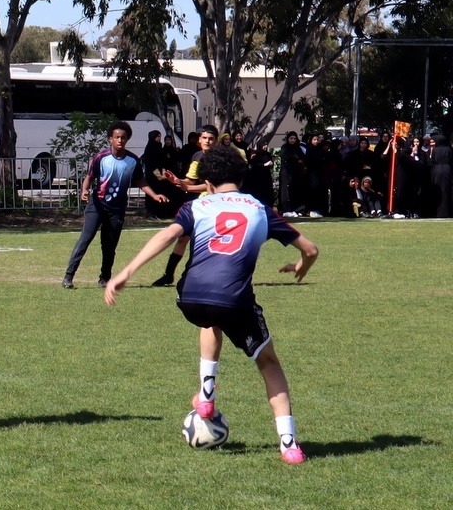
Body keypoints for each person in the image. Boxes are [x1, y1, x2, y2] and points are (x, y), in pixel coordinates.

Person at [104, 145, 319, 464]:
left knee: (209, 321)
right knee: (269, 363)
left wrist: (126, 271)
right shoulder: (260, 209)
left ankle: (206, 396)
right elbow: (311, 250)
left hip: (190, 297)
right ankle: (288, 445)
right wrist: (302, 266)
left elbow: (167, 236)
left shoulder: (196, 207)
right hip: (234, 300)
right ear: (241, 179)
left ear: (207, 183)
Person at [62, 121, 168, 289]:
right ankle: (68, 277)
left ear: (127, 139)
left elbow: (140, 180)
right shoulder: (101, 157)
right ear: (110, 139)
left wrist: (155, 195)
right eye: (117, 137)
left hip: (117, 209)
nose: (120, 140)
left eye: (123, 137)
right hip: (97, 205)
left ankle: (104, 279)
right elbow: (90, 177)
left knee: (109, 245)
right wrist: (84, 190)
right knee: (85, 239)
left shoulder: (132, 160)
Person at [149, 124, 219, 286]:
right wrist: (176, 180)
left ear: (216, 141)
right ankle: (168, 275)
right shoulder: (197, 157)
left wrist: (188, 187)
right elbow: (191, 180)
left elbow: (213, 185)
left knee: (202, 243)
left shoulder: (220, 158)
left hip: (218, 204)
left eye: (211, 139)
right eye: (204, 138)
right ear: (199, 140)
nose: (207, 142)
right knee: (183, 239)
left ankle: (191, 276)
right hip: (202, 203)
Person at [278, 131, 305, 217]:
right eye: (291, 138)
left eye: (294, 138)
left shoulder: (298, 148)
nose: (293, 140)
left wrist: (297, 160)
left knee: (295, 190)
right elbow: (287, 157)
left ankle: (296, 209)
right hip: (286, 172)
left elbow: (302, 158)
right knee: (286, 190)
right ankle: (286, 209)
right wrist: (296, 160)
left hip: (296, 172)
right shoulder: (285, 147)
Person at [428, 134, 452, 218]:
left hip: (437, 170)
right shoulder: (448, 149)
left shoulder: (435, 150)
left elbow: (432, 160)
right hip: (447, 169)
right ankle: (447, 212)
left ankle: (438, 212)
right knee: (446, 190)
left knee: (437, 190)